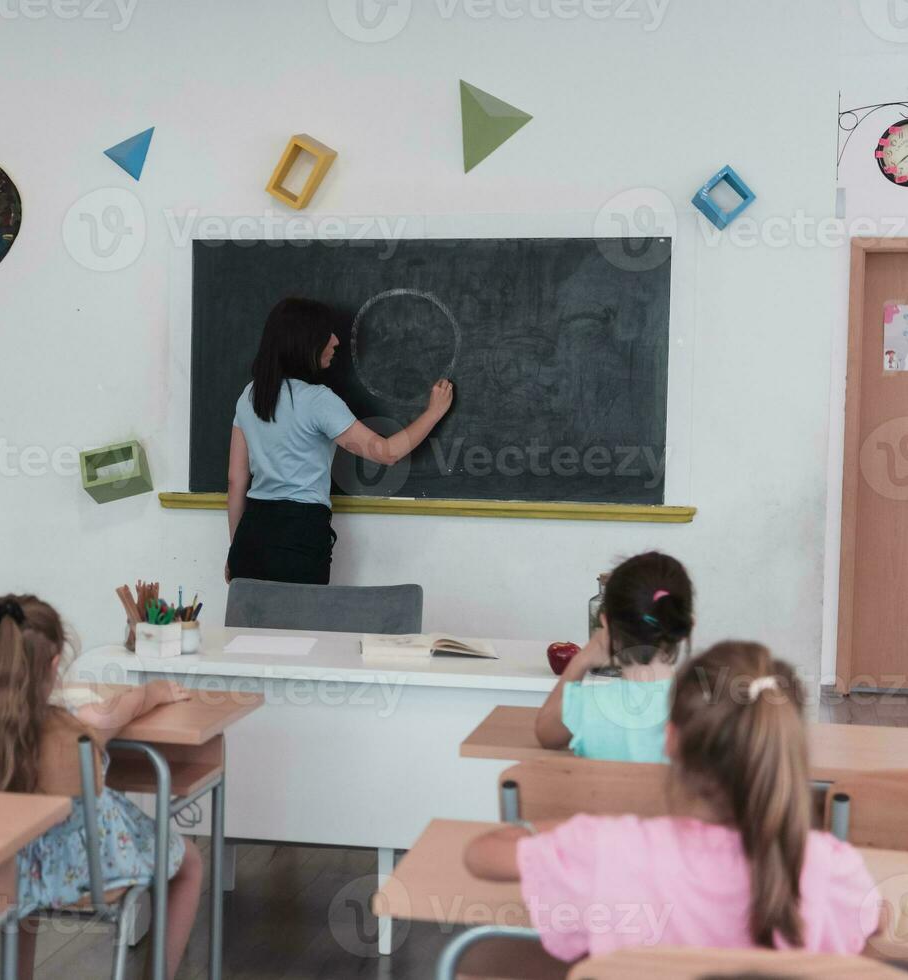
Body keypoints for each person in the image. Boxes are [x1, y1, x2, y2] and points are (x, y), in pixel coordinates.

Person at [464, 641, 881, 960]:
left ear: (670, 738)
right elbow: (873, 925)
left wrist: (556, 830)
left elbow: (480, 855)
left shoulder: (603, 847)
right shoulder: (831, 867)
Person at [0, 593, 204, 979]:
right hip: (80, 868)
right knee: (189, 862)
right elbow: (135, 701)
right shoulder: (81, 722)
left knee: (23, 892)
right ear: (56, 663)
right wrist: (157, 690)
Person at [226, 296, 453, 584]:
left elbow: (236, 480)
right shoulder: (317, 400)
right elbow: (387, 452)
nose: (336, 340)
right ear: (304, 341)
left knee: (250, 628)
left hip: (252, 533)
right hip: (300, 533)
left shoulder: (250, 396)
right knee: (303, 626)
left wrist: (235, 549)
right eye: (326, 334)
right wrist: (433, 412)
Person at [535, 551, 693, 762]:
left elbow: (545, 734)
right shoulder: (701, 709)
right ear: (686, 626)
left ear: (606, 624)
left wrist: (580, 660)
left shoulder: (588, 705)